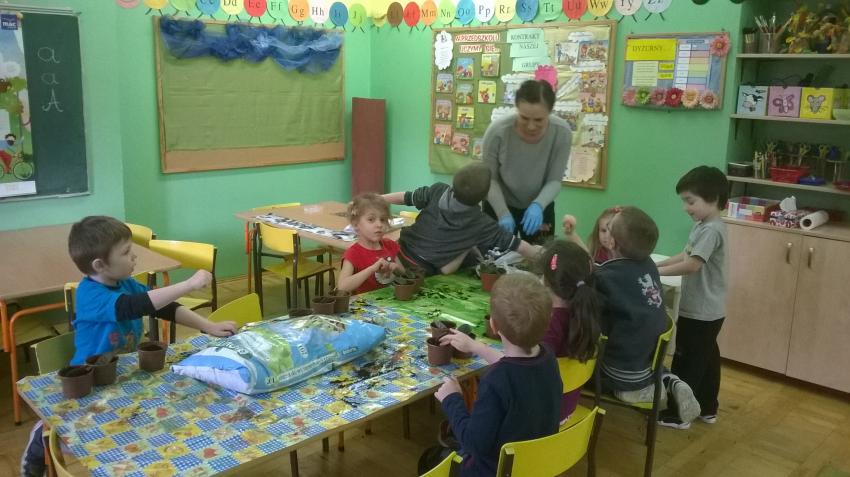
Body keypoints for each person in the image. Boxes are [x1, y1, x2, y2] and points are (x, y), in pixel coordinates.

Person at [21, 216, 237, 477]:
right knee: (79, 432)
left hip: (123, 374)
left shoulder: (125, 282)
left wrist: (208, 325)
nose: (134, 257)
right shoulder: (90, 293)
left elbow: (163, 307)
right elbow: (131, 307)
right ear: (100, 265)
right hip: (90, 379)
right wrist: (188, 285)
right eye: (126, 252)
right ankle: (40, 439)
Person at [419, 274, 561, 476]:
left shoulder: (496, 380)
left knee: (429, 463)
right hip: (535, 464)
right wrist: (476, 347)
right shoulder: (548, 357)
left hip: (496, 470)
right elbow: (518, 369)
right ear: (548, 321)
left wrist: (452, 399)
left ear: (493, 325)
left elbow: (474, 443)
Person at [595, 206, 701, 428]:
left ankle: (630, 391)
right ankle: (670, 381)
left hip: (623, 366)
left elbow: (587, 303)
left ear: (612, 242)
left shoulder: (606, 276)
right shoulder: (649, 265)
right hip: (650, 357)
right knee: (638, 346)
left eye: (609, 228)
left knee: (587, 357)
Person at [657, 166, 729, 428]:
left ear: (713, 198)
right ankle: (707, 408)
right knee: (706, 361)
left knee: (687, 361)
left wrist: (655, 273)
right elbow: (686, 254)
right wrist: (658, 265)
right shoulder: (704, 226)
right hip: (710, 310)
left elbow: (692, 265)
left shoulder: (711, 231)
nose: (685, 208)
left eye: (690, 201)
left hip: (700, 311)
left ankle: (679, 414)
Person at [382, 163, 541, 276]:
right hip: (425, 269)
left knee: (470, 248)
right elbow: (519, 246)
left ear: (453, 182)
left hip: (399, 250)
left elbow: (405, 197)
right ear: (485, 196)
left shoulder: (438, 190)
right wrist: (545, 259)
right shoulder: (480, 222)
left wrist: (377, 198)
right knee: (472, 248)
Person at [482, 79, 572, 243]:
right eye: (524, 118)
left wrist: (538, 205)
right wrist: (502, 213)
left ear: (550, 112)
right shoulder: (497, 132)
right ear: (516, 108)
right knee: (492, 253)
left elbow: (554, 180)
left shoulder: (562, 133)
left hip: (540, 204)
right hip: (498, 202)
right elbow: (489, 179)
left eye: (538, 120)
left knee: (542, 254)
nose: (531, 126)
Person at [539, 240, 601, 423]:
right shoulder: (586, 313)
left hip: (543, 418)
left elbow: (525, 369)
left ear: (545, 281)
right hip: (567, 409)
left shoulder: (551, 326)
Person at [337, 193, 404, 294]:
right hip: (365, 303)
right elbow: (342, 287)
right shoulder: (353, 254)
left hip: (392, 300)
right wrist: (372, 269)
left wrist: (395, 267)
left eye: (382, 219)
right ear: (355, 224)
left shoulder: (390, 245)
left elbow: (403, 272)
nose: (379, 224)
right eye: (371, 220)